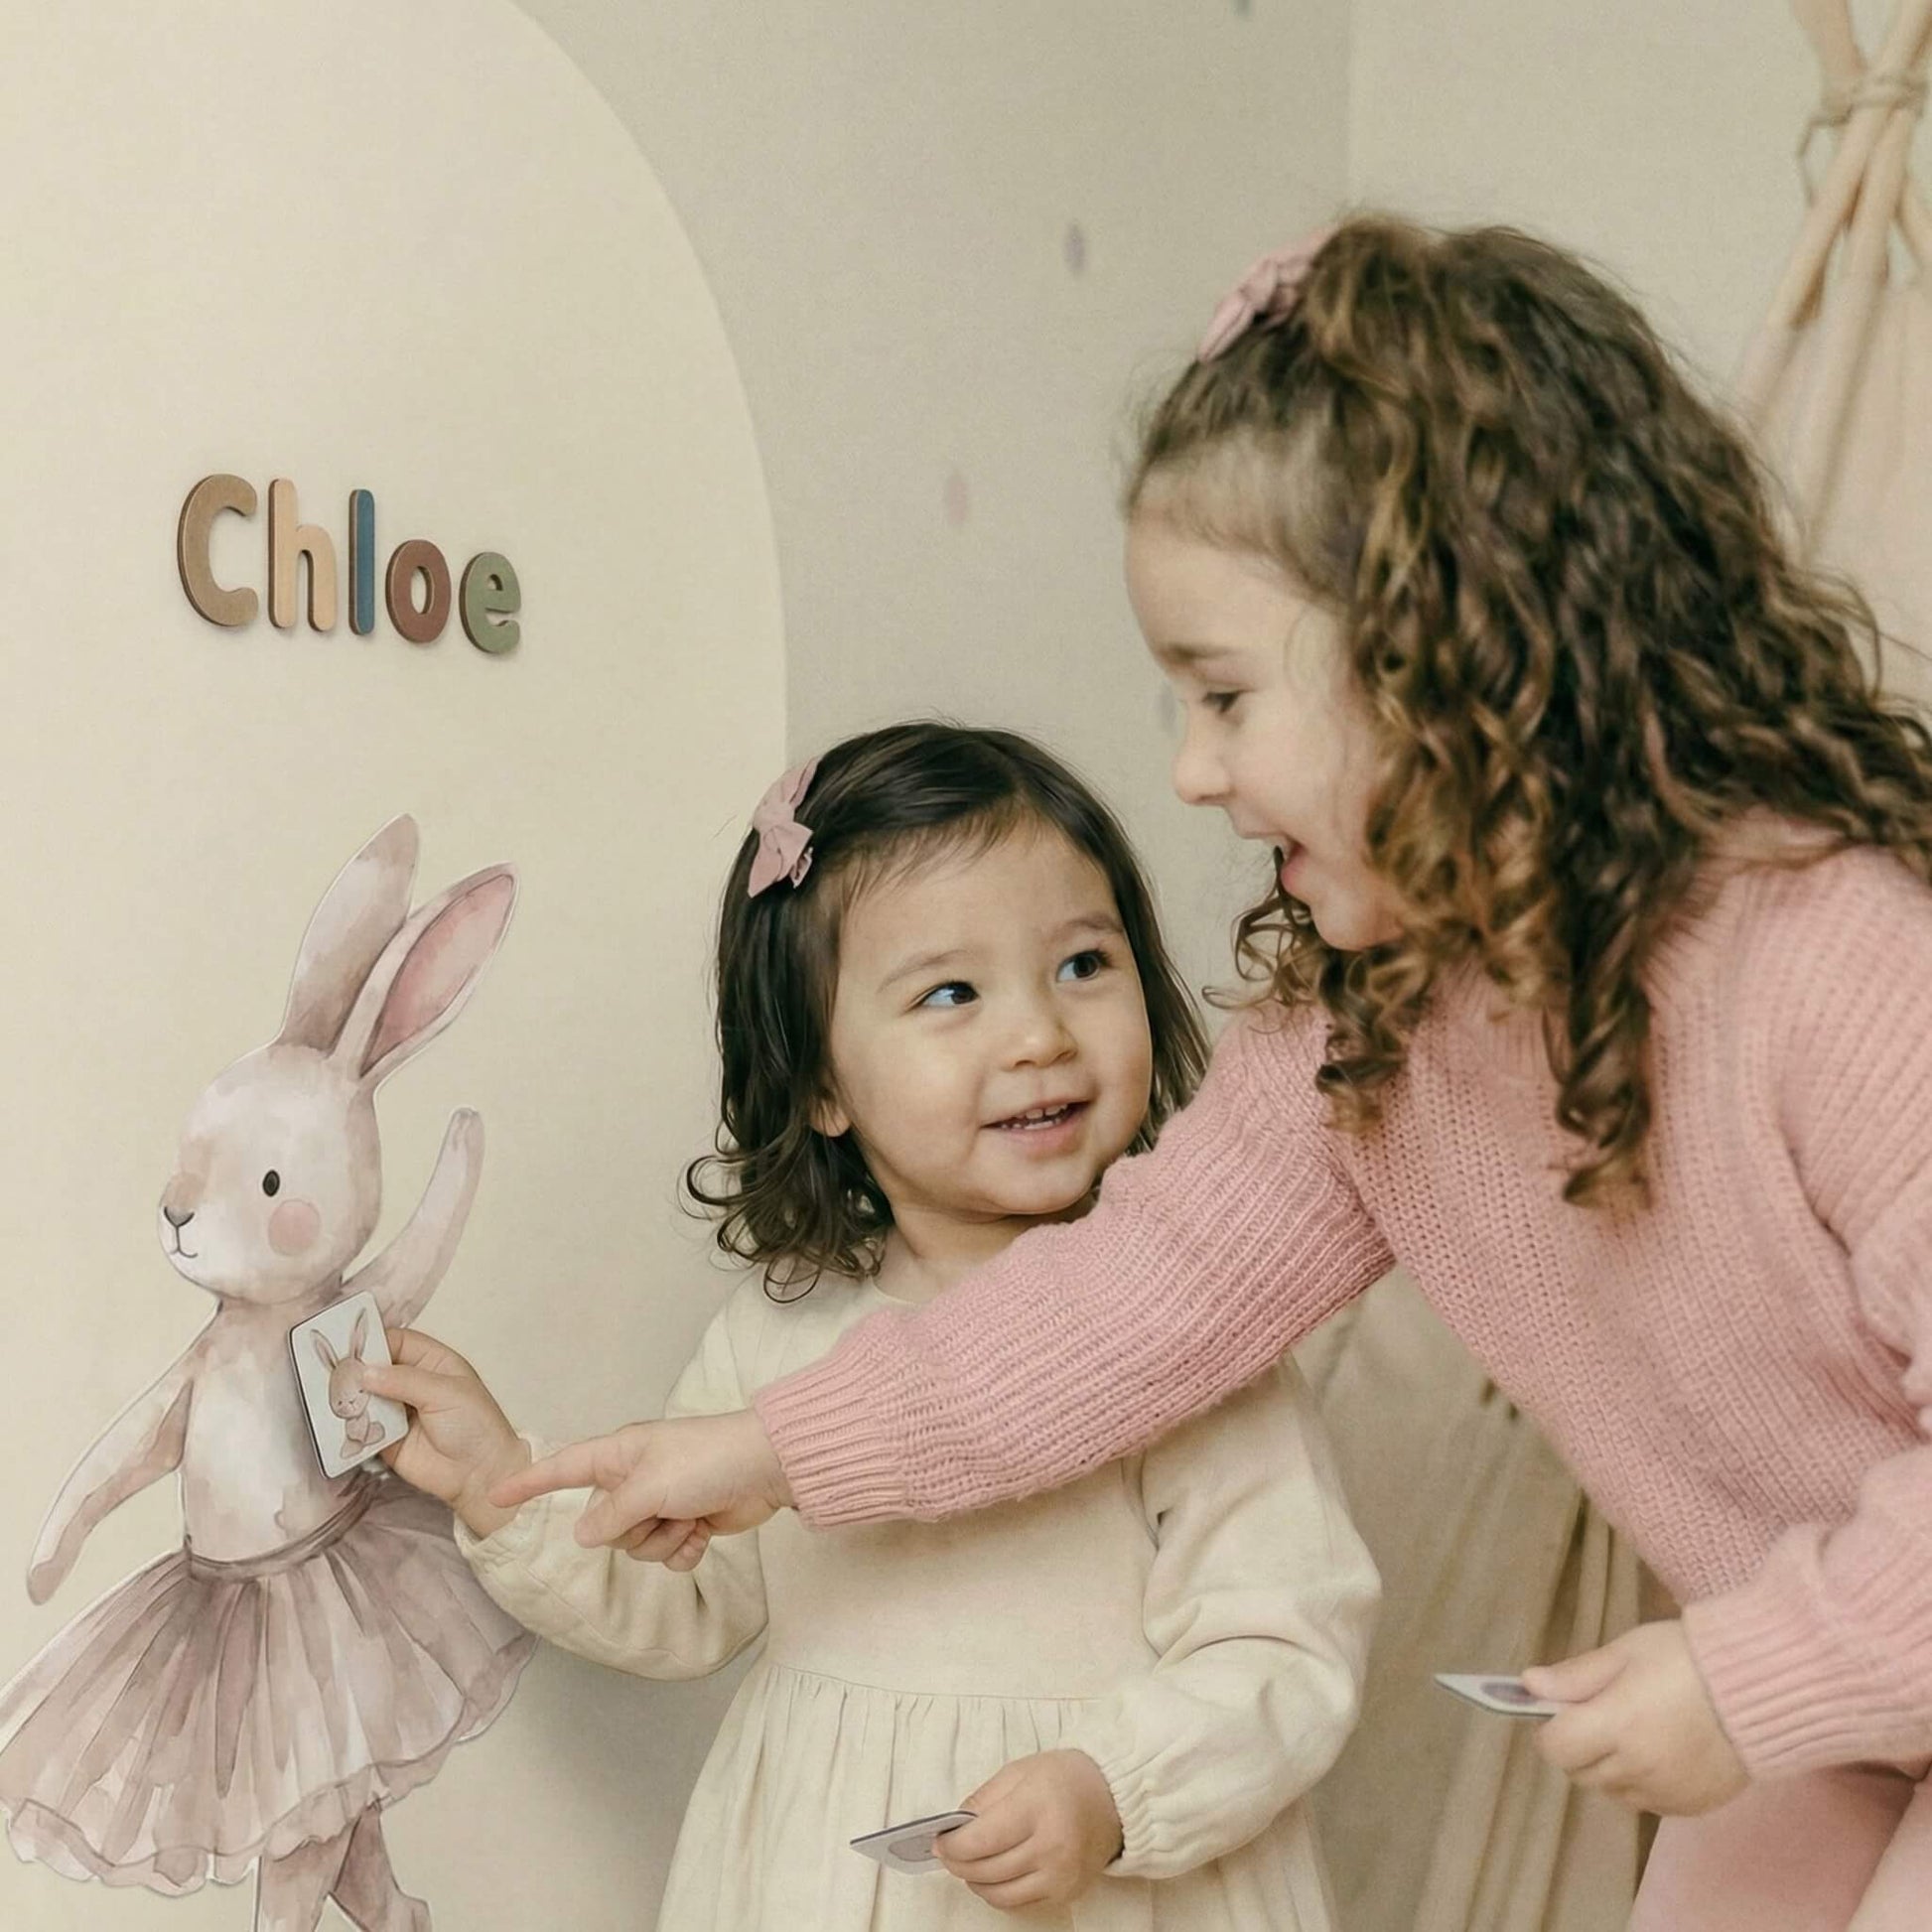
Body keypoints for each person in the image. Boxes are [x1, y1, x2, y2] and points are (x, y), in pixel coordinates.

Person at [494, 218, 1932, 1929]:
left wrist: (1756, 1681)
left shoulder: (1842, 971)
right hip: (1838, 1674)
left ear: (1456, 663)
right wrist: (776, 1449)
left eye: (1225, 696)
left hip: (1836, 1652)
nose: (1187, 771)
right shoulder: (1370, 1025)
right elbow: (1118, 1307)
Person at [371, 723, 1378, 1928]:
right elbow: (689, 1599)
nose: (1038, 1034)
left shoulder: (1187, 1344)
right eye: (950, 991)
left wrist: (1112, 1789)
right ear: (821, 1085)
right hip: (827, 1881)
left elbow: (1282, 1645)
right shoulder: (780, 1334)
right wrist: (502, 1487)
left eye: (1082, 964)